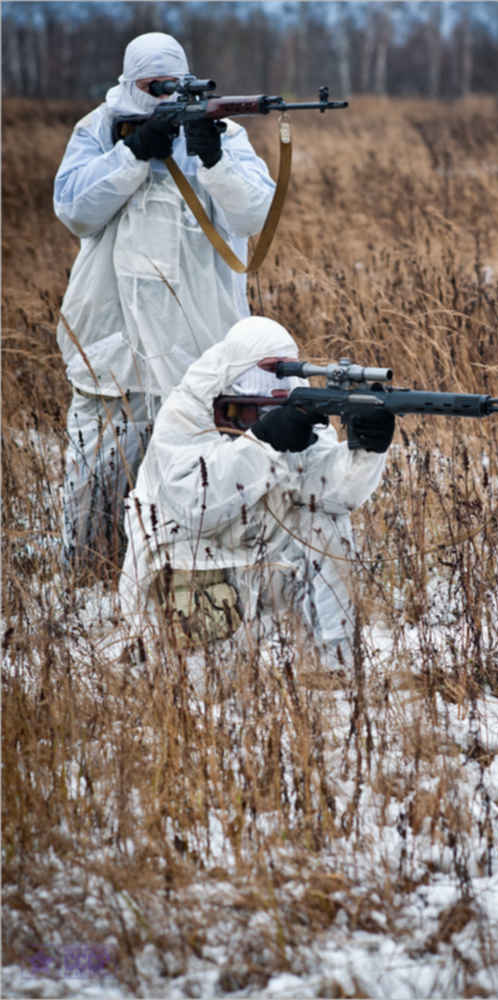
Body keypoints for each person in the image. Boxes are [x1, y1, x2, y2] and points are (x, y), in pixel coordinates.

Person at [54, 31, 275, 573]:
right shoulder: (101, 130)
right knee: (93, 508)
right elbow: (75, 209)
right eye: (154, 87)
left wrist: (215, 159)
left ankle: (182, 584)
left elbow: (253, 217)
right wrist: (133, 154)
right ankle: (88, 587)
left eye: (174, 86)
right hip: (115, 358)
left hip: (198, 356)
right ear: (130, 84)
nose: (164, 97)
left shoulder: (224, 134)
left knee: (199, 499)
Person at [118, 316, 395, 674]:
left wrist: (367, 450)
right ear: (231, 369)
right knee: (199, 690)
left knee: (323, 521)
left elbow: (330, 494)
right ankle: (154, 653)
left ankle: (334, 666)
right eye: (263, 371)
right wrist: (263, 444)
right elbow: (195, 509)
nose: (271, 385)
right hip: (187, 570)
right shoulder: (186, 413)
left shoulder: (297, 406)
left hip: (255, 566)